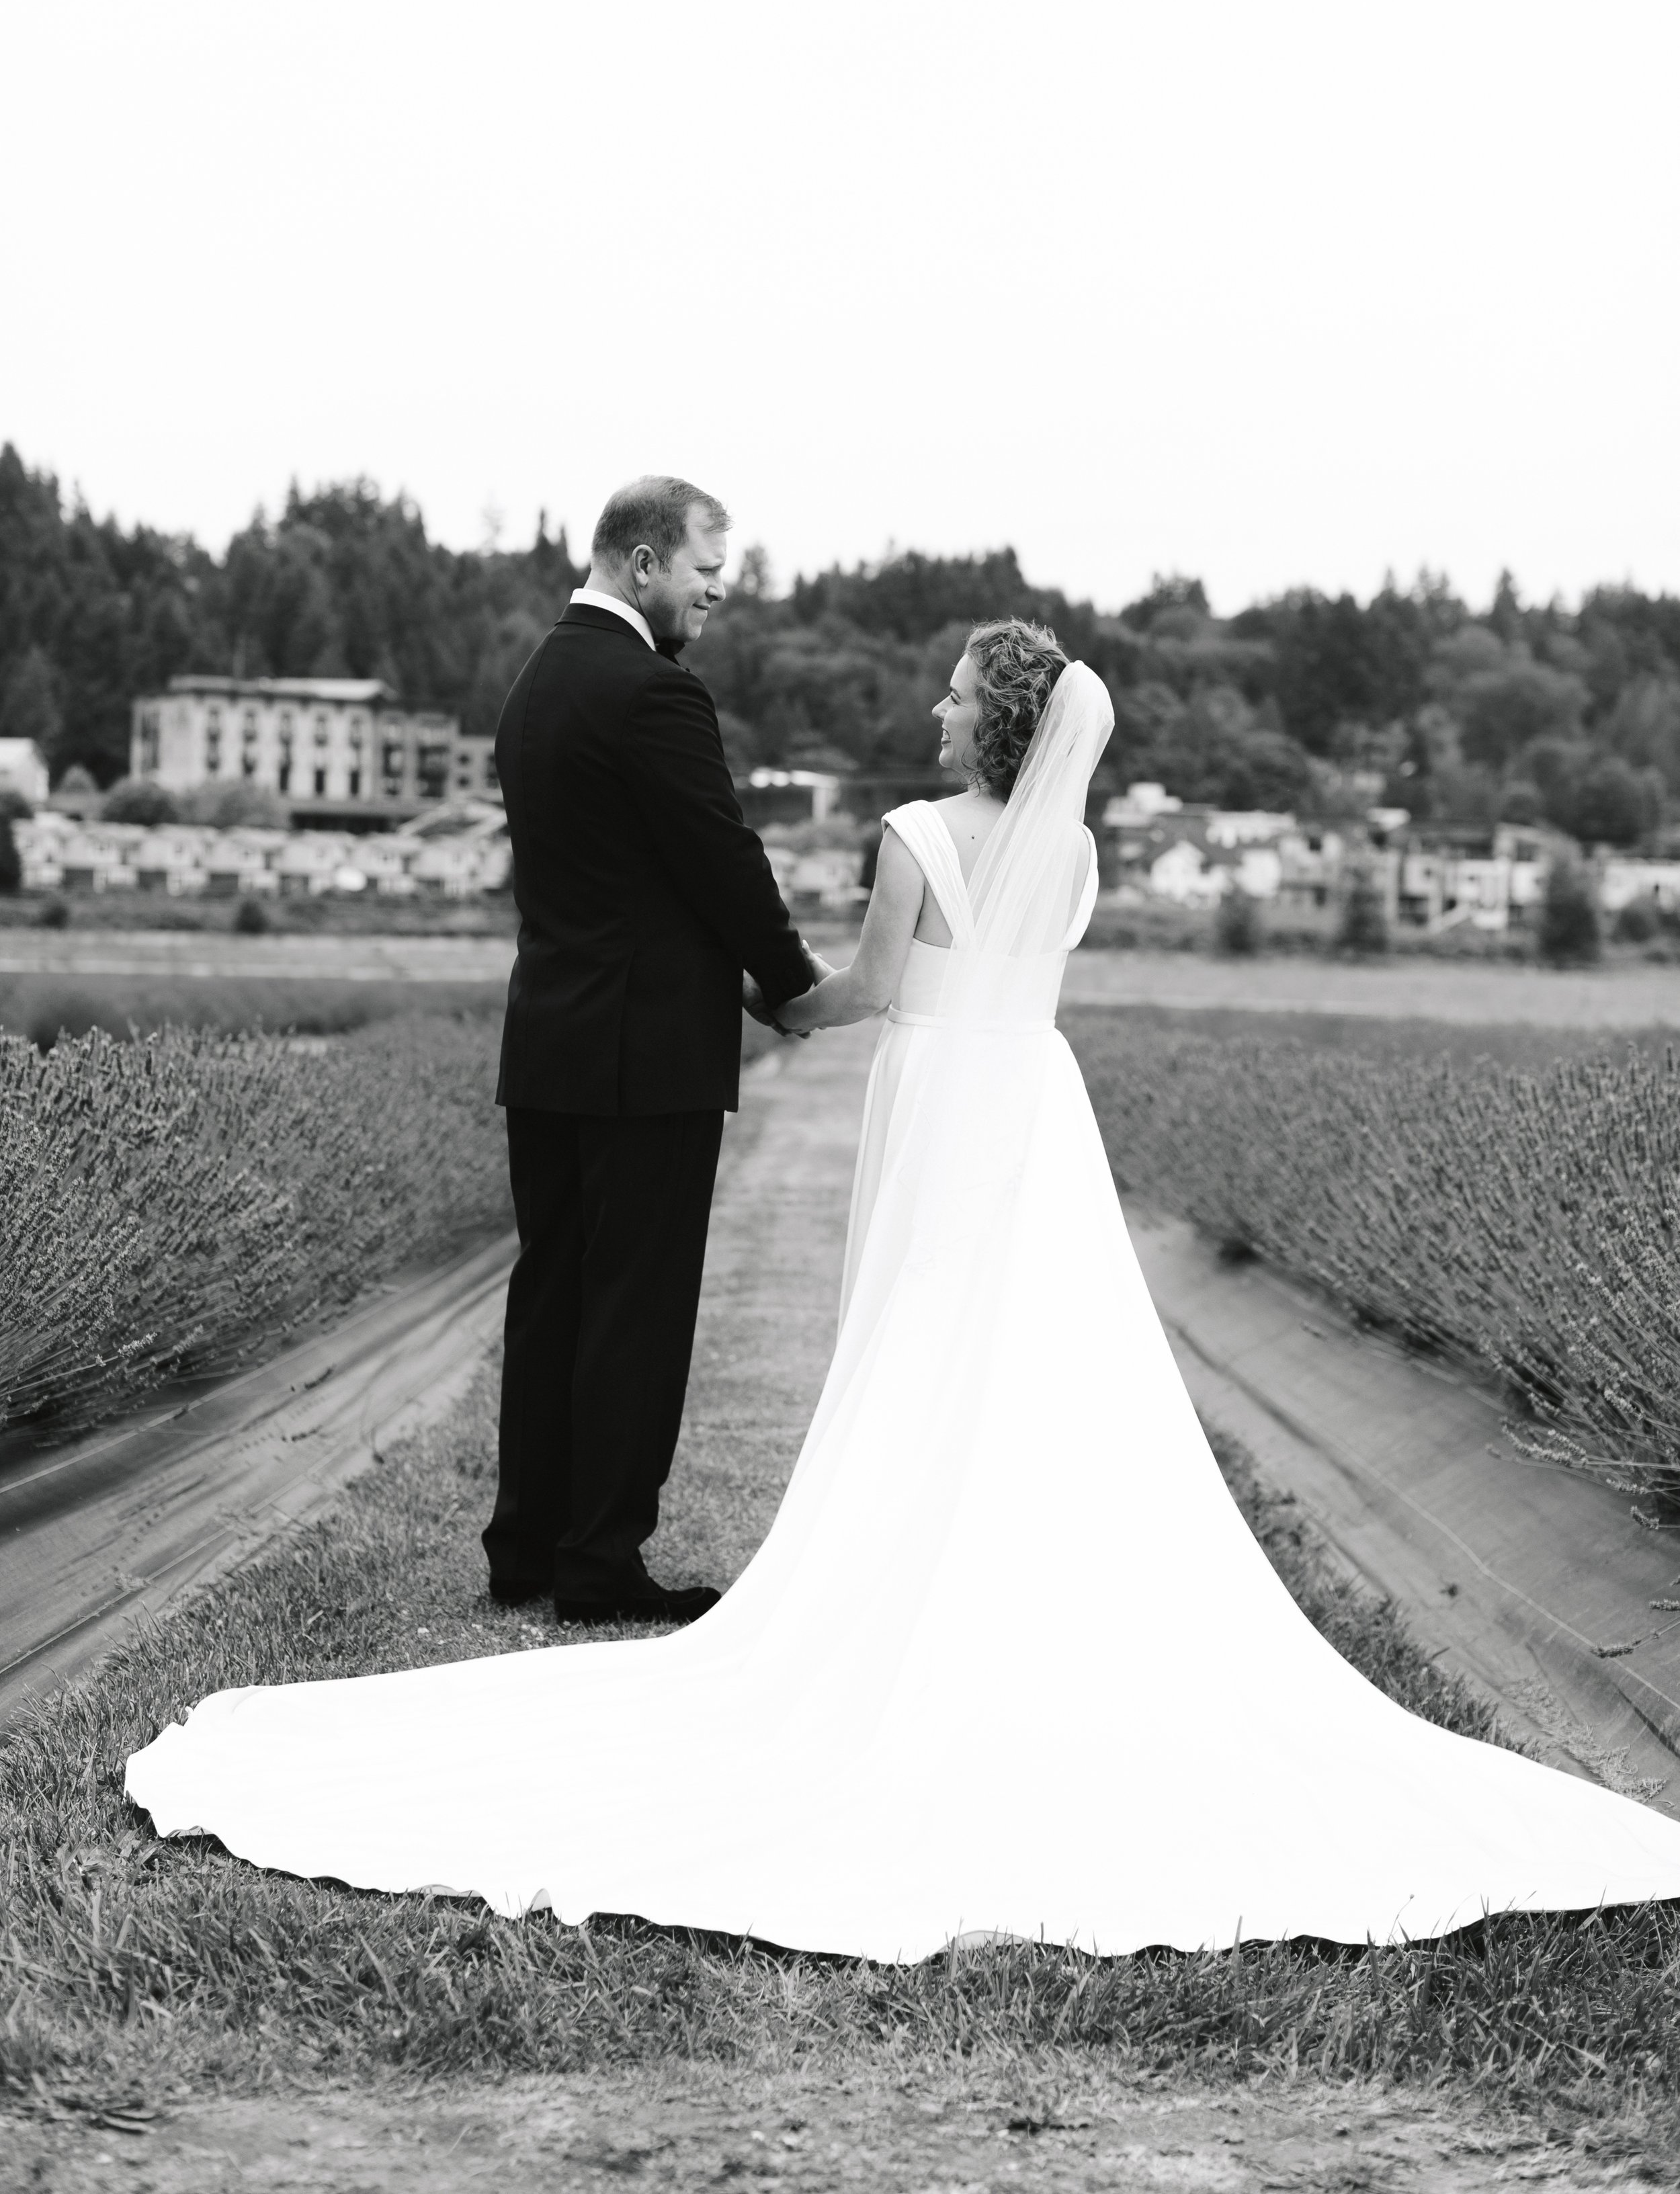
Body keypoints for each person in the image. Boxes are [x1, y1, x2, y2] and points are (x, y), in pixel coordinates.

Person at [128, 618, 1680, 1961]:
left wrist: (762, 1000)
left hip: (938, 1090)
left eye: (949, 694)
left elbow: (864, 993)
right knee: (1036, 1347)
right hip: (1032, 1097)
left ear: (989, 721)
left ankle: (905, 1594)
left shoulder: (916, 834)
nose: (933, 710)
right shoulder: (1069, 848)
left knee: (919, 1332)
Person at [484, 475, 816, 1627]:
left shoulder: (535, 686)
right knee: (635, 1306)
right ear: (641, 564)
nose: (713, 598)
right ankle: (601, 1562)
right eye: (703, 575)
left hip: (551, 1040)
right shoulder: (653, 693)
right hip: (646, 1055)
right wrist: (792, 984)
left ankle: (524, 1543)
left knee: (555, 1294)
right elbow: (720, 859)